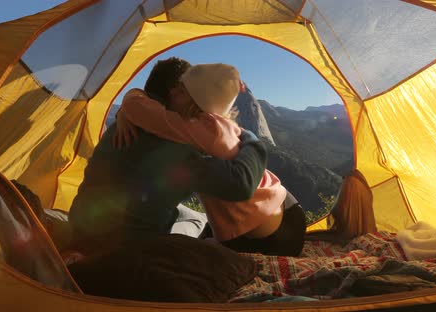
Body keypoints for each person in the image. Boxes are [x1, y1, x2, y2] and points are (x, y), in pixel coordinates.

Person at [67, 58, 268, 257]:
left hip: (80, 226)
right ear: (176, 92)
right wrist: (251, 140)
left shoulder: (124, 123)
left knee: (179, 210)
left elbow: (136, 100)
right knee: (198, 221)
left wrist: (123, 111)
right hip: (128, 248)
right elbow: (240, 184)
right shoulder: (178, 148)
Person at [115, 63, 306, 256]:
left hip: (272, 240)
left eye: (181, 90)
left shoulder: (191, 127)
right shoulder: (221, 123)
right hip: (285, 210)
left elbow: (134, 104)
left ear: (195, 101)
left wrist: (124, 111)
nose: (173, 93)